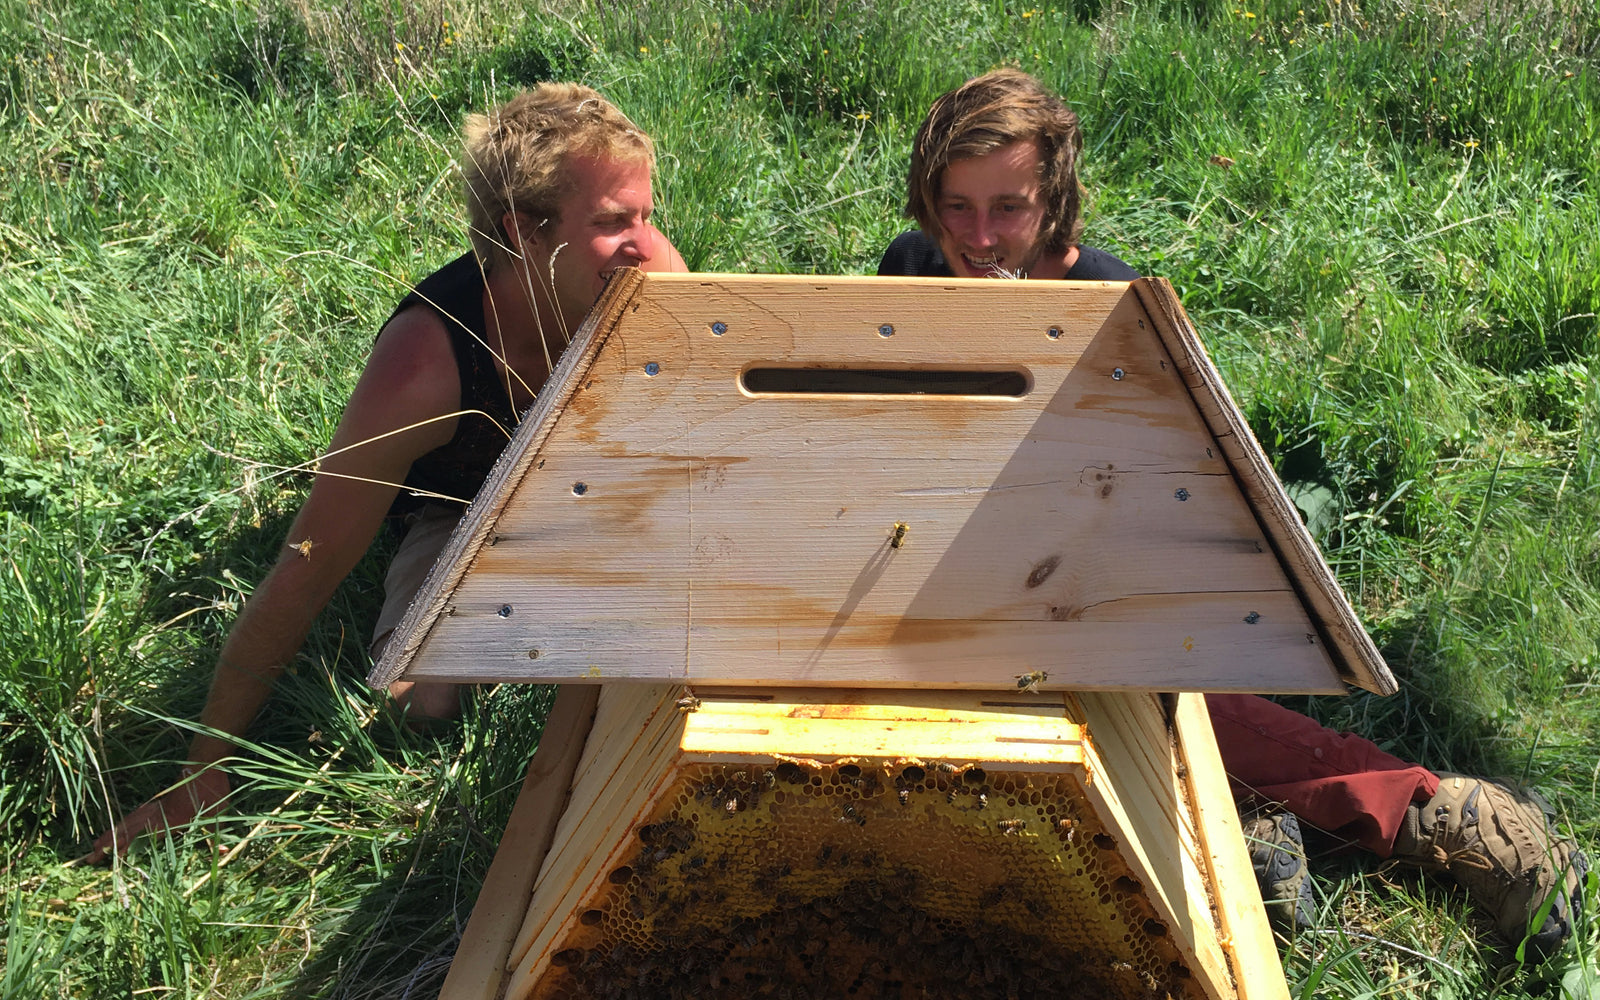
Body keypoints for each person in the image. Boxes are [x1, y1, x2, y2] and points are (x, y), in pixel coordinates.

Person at [878, 67, 1587, 957]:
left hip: (1100, 588)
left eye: (1008, 208)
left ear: (1053, 194)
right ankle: (1233, 832)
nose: (978, 237)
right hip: (951, 580)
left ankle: (1434, 814)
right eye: (957, 207)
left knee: (1158, 696)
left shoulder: (1113, 304)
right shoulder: (908, 272)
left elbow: (1182, 493)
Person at [86, 82, 686, 864]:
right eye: (611, 222)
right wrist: (209, 767)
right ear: (523, 232)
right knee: (422, 703)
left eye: (644, 214)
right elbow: (311, 561)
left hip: (602, 485)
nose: (646, 242)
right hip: (465, 512)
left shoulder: (648, 281)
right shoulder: (425, 365)